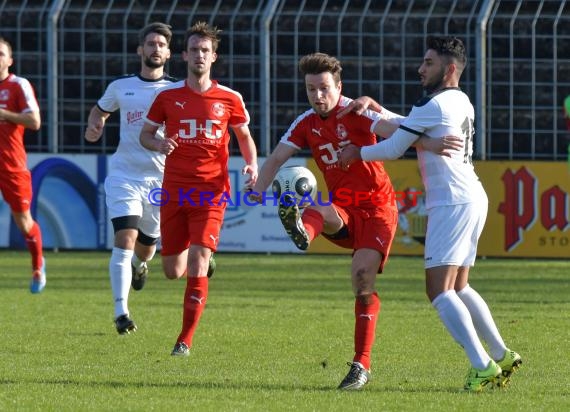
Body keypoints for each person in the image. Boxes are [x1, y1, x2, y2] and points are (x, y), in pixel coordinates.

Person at [248, 52, 445, 390]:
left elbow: (397, 132)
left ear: (339, 86)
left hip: (379, 209)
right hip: (344, 208)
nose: (318, 96)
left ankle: (360, 365)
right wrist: (257, 190)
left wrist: (432, 143)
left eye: (324, 88)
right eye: (311, 89)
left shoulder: (356, 110)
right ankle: (302, 232)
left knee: (362, 278)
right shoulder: (305, 122)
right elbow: (278, 157)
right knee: (320, 207)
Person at [338, 36, 522, 392]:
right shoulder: (459, 100)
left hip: (451, 201)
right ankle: (501, 353)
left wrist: (357, 152)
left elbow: (394, 148)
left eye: (429, 63)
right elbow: (410, 126)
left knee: (438, 290)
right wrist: (377, 112)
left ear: (449, 68)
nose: (420, 69)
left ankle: (482, 366)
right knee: (460, 286)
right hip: (470, 196)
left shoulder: (433, 104)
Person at [139, 21, 258, 356]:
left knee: (197, 258)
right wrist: (158, 143)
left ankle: (184, 340)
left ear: (214, 56)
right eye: (194, 50)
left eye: (205, 50)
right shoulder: (168, 97)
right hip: (175, 192)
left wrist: (252, 165)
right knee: (172, 271)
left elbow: (244, 138)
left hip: (211, 192)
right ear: (184, 55)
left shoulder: (230, 98)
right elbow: (145, 135)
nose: (199, 56)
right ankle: (205, 263)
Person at [84, 22, 177, 334]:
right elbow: (100, 110)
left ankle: (140, 266)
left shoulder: (176, 91)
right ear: (140, 50)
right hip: (125, 175)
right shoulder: (120, 86)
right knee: (125, 239)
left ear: (168, 52)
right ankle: (121, 312)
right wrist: (93, 127)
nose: (155, 49)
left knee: (147, 246)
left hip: (161, 182)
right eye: (150, 43)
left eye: (161, 44)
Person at [0, 37, 45, 294]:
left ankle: (38, 264)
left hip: (10, 164)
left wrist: (4, 114)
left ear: (10, 60)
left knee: (23, 221)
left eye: (0, 54)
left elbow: (34, 121)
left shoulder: (18, 85)